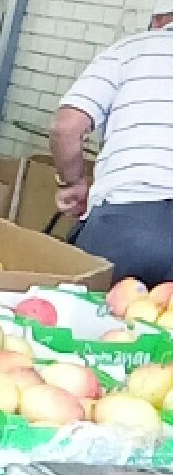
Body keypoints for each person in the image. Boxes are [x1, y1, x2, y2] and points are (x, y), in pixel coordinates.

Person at [50, 0, 173, 288]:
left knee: (90, 324)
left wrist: (74, 183)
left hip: (129, 224)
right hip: (136, 222)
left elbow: (66, 127)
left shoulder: (130, 51)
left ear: (158, 21)